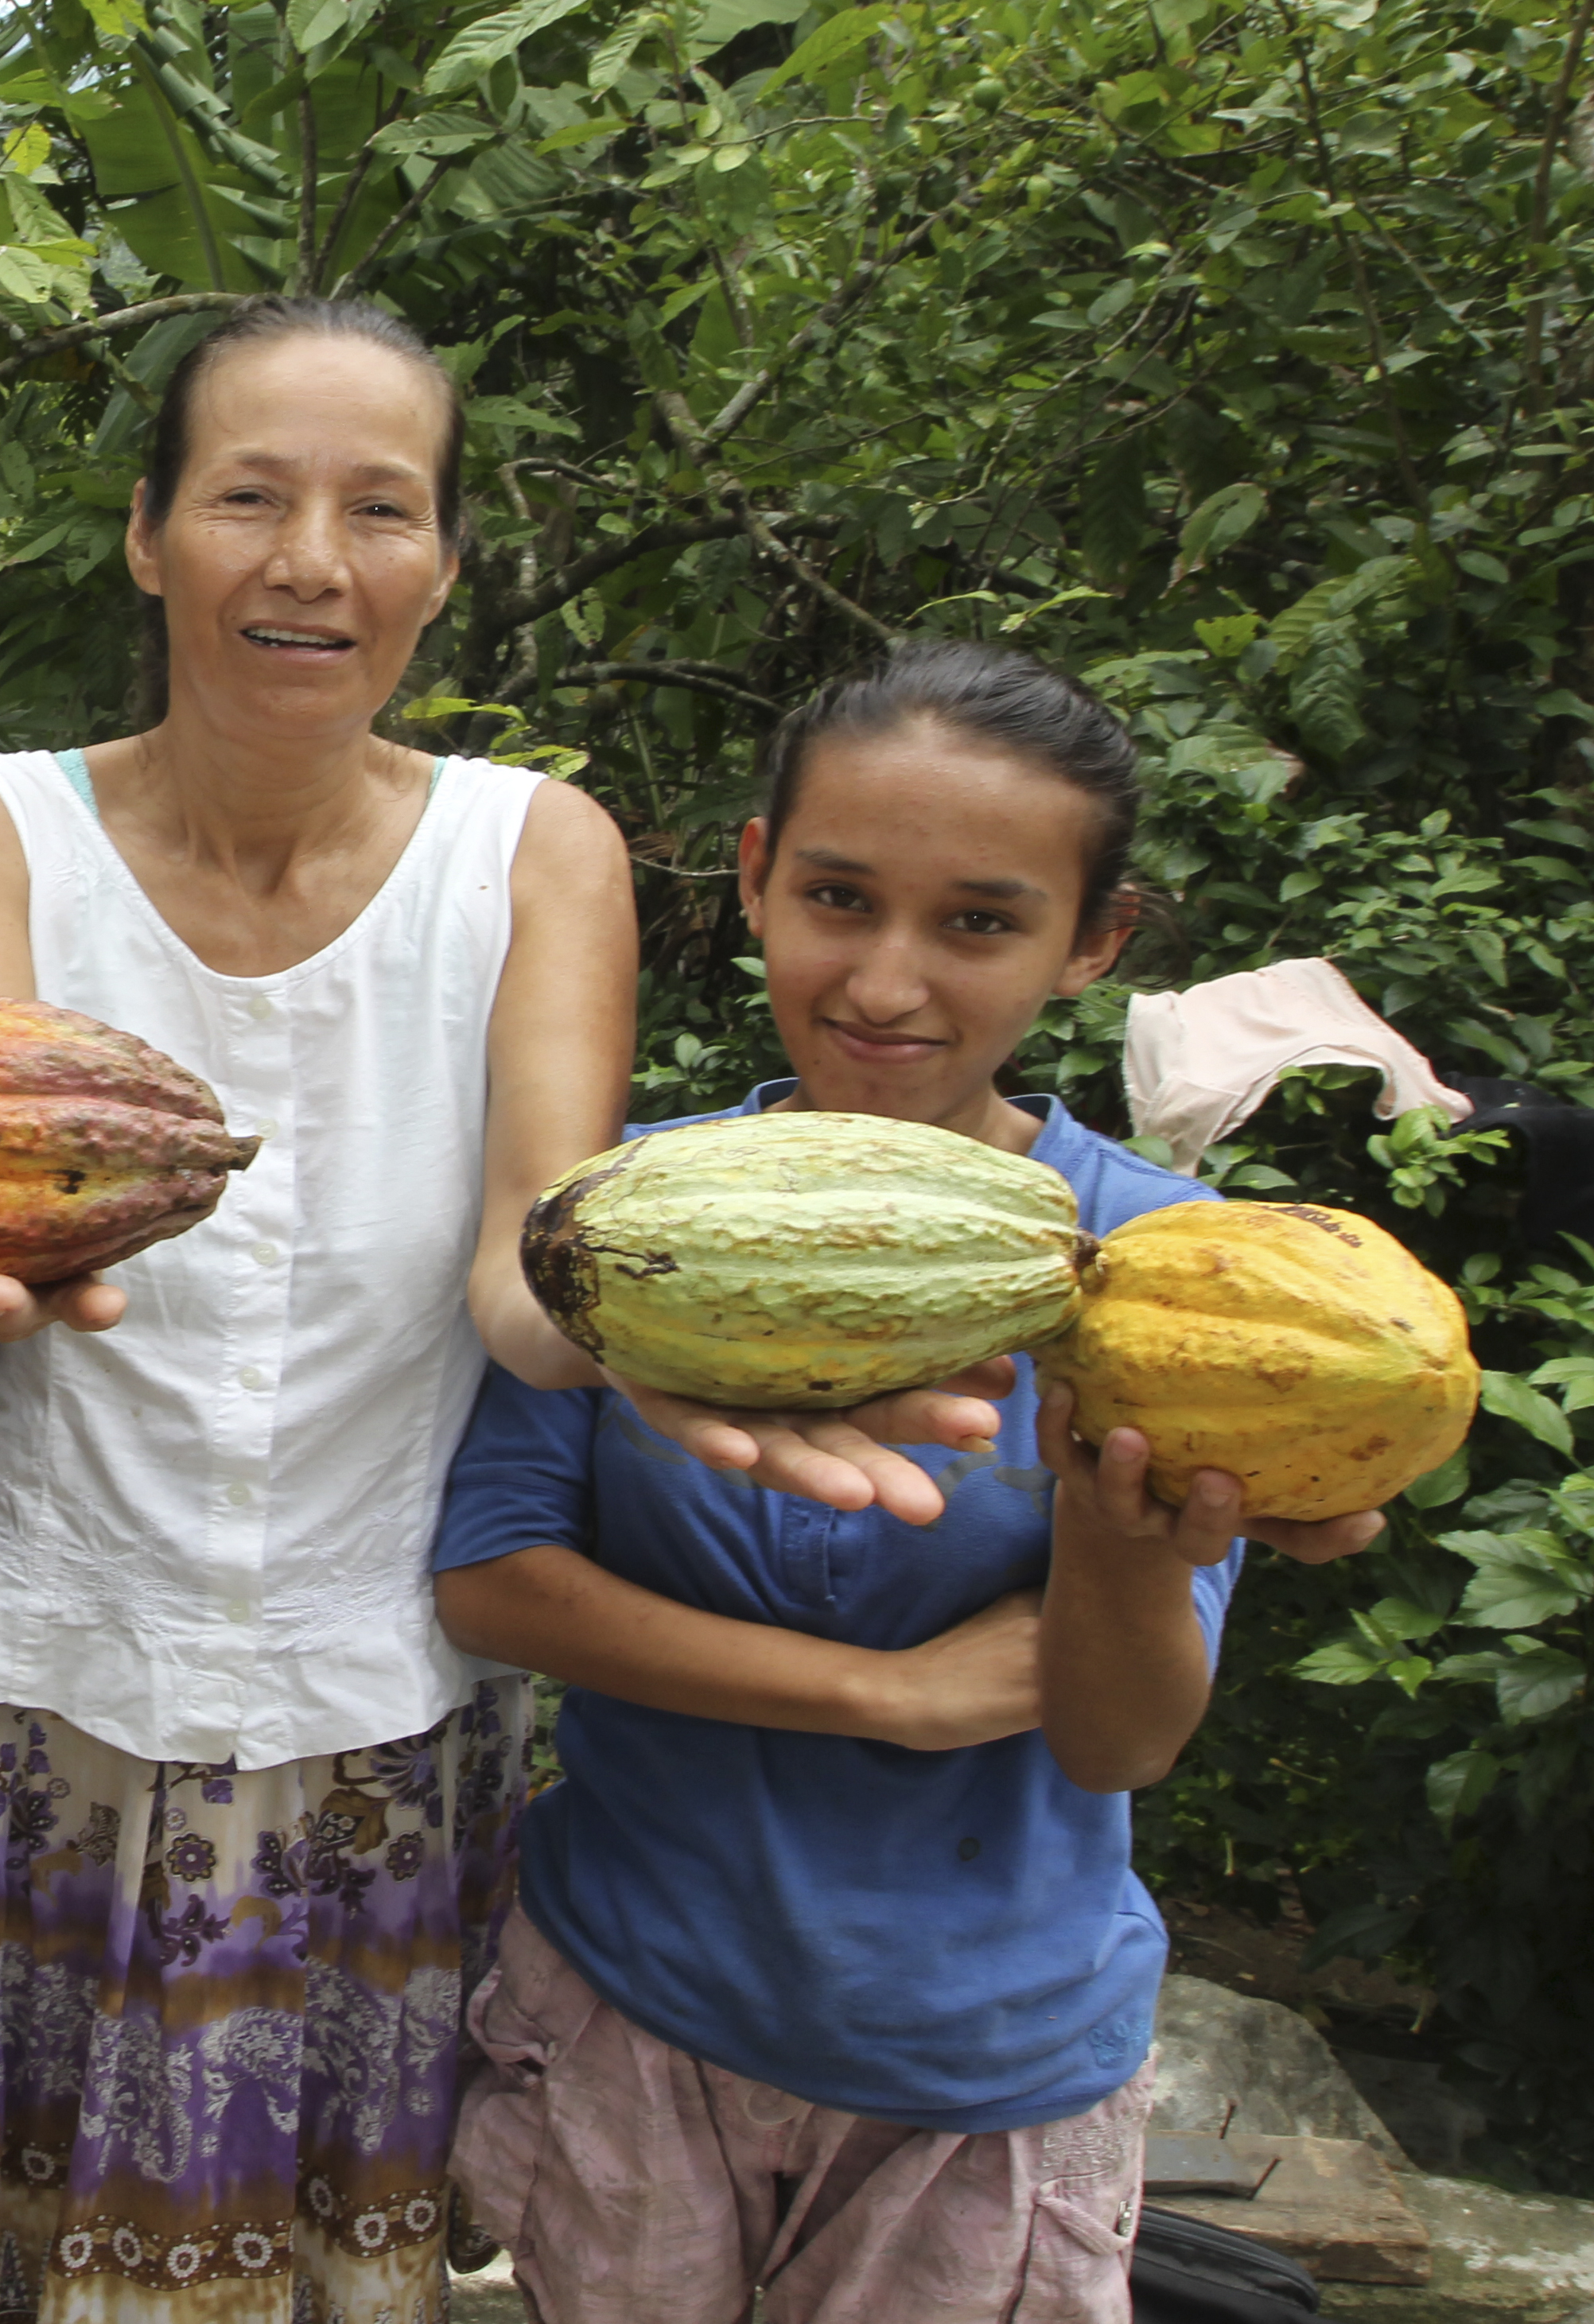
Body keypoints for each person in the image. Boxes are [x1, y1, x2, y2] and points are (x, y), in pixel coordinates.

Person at [430, 639, 1389, 2324]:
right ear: (754, 879)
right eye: (840, 897)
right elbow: (494, 1580)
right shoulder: (631, 1218)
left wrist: (1116, 1521)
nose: (884, 980)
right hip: (627, 2012)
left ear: (1094, 944)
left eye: (978, 923)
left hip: (985, 2071)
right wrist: (893, 1696)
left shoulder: (1170, 1271)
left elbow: (1117, 1738)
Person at [0, 293, 642, 2324]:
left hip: (375, 1725)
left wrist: (667, 1340)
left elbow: (531, 1264)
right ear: (147, 536)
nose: (313, 560)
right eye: (249, 497)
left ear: (445, 565)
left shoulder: (536, 856)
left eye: (380, 510)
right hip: (44, 1700)